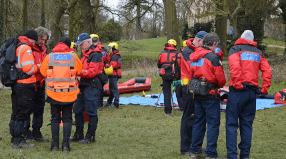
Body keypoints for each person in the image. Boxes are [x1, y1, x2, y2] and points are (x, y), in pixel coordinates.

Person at [226, 30, 272, 159]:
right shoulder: (258, 53)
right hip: (252, 93)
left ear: (241, 38)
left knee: (231, 124)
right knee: (246, 125)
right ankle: (245, 155)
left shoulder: (235, 49)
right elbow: (267, 71)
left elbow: (235, 67)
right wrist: (264, 88)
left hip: (237, 91)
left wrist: (237, 83)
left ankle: (232, 155)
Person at [40, 37, 82, 152]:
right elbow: (80, 70)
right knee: (67, 119)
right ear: (68, 46)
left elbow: (43, 72)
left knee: (55, 119)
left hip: (53, 94)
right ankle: (66, 146)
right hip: (69, 93)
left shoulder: (50, 57)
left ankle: (54, 146)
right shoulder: (73, 56)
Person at [189, 33, 226, 158]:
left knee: (198, 122)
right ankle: (210, 153)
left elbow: (190, 74)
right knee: (213, 124)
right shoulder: (213, 58)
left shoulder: (193, 57)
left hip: (197, 93)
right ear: (214, 44)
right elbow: (221, 80)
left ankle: (195, 150)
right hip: (210, 95)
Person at [70, 33, 105, 144]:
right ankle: (79, 134)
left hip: (92, 85)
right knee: (77, 109)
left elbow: (91, 72)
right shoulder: (85, 53)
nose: (80, 46)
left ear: (88, 42)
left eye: (81, 44)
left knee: (91, 111)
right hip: (83, 85)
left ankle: (90, 136)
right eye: (79, 44)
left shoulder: (96, 54)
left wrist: (77, 72)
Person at [9, 29, 39, 149]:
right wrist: (37, 67)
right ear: (32, 39)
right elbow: (28, 69)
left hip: (16, 83)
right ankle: (18, 140)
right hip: (25, 85)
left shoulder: (17, 45)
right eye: (34, 41)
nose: (34, 44)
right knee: (22, 113)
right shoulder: (26, 48)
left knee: (15, 113)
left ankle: (14, 137)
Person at [179, 31, 208, 156]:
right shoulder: (187, 52)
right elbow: (193, 69)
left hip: (194, 88)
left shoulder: (193, 52)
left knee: (195, 119)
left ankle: (194, 145)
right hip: (188, 89)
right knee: (188, 118)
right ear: (200, 41)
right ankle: (185, 147)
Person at [24, 26, 49, 143]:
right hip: (30, 83)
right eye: (41, 39)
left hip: (41, 83)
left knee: (39, 109)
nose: (43, 42)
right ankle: (26, 132)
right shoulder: (29, 48)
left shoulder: (44, 49)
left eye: (45, 40)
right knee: (28, 109)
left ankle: (37, 132)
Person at [157, 39, 179, 115]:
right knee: (178, 91)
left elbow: (159, 65)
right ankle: (183, 109)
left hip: (165, 75)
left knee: (166, 93)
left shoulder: (162, 53)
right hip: (174, 74)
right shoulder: (177, 53)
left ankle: (167, 111)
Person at [90, 34, 110, 110]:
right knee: (100, 88)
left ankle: (97, 105)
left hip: (96, 72)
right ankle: (100, 104)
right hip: (103, 72)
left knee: (95, 89)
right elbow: (108, 60)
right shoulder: (104, 49)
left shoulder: (92, 50)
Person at [104, 42, 122, 109]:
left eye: (110, 48)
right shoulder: (115, 55)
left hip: (114, 74)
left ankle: (116, 104)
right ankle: (109, 102)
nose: (109, 50)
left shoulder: (115, 56)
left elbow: (112, 65)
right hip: (114, 74)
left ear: (114, 49)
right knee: (111, 89)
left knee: (114, 89)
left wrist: (107, 66)